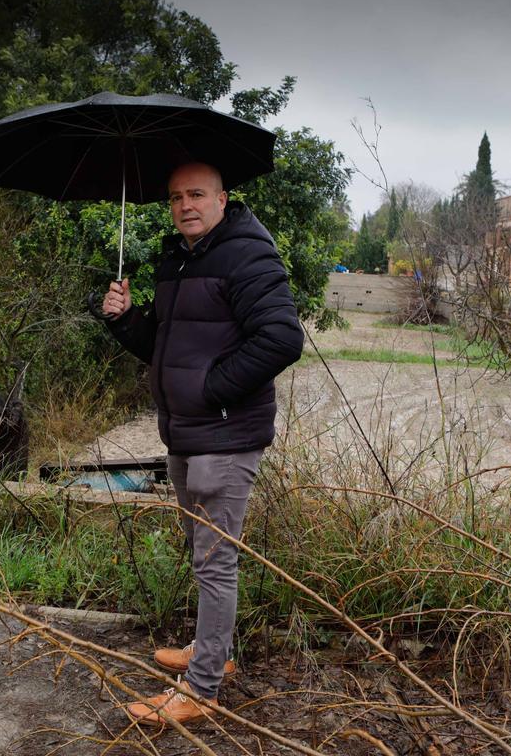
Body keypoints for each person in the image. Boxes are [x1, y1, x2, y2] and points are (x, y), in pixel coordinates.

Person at [99, 161, 303, 725]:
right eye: (174, 197)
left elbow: (282, 338)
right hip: (185, 433)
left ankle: (203, 688)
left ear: (222, 198)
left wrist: (212, 388)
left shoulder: (246, 253)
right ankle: (216, 652)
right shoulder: (178, 258)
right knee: (202, 552)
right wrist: (125, 320)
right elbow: (167, 348)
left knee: (216, 562)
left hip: (225, 434)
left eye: (196, 194)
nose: (184, 205)